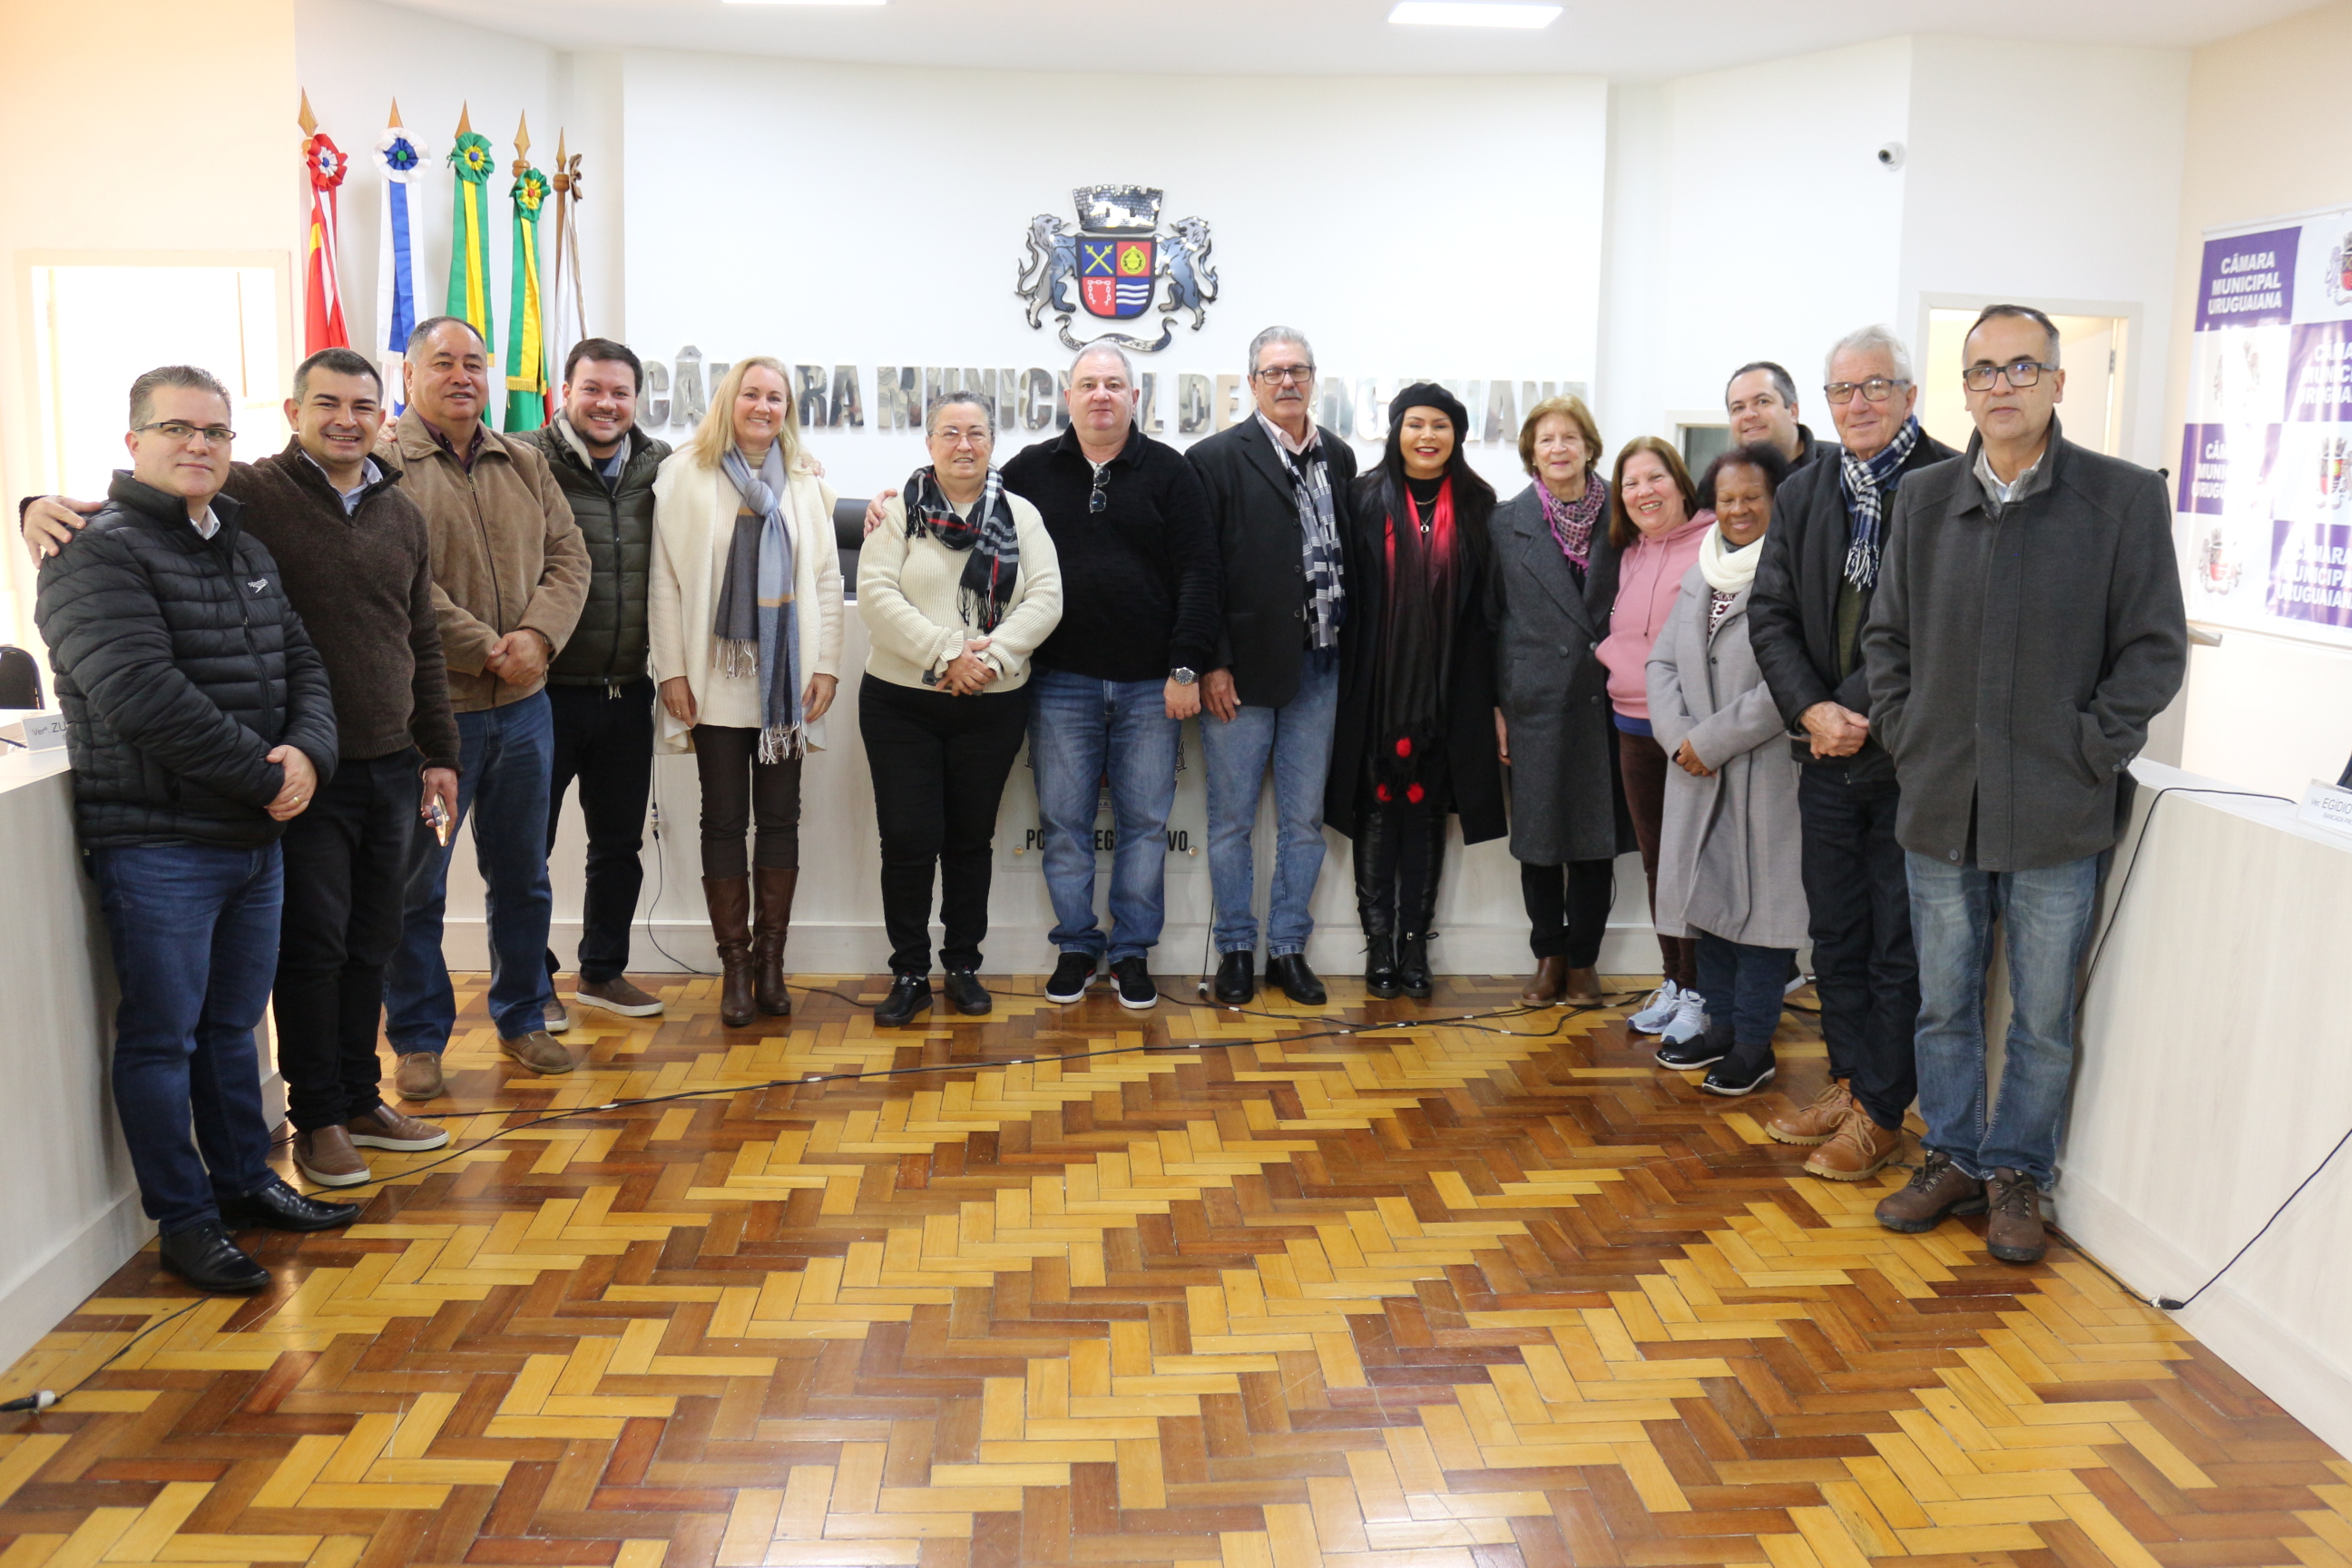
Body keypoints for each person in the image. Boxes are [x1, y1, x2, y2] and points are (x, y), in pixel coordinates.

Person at [20, 348, 462, 1190]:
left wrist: (438, 750)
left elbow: (417, 640)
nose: (346, 420)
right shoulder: (251, 492)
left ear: (385, 418)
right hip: (292, 783)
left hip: (381, 763)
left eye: (363, 407)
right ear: (293, 414)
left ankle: (357, 1099)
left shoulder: (394, 513)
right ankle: (318, 1118)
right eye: (327, 403)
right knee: (312, 954)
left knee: (372, 942)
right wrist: (32, 504)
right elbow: (144, 511)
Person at [1863, 303, 2187, 1264]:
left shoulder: (2122, 499)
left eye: (2021, 367)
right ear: (1963, 389)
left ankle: (2018, 1174)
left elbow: (2153, 649)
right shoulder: (1924, 499)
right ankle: (1954, 1156)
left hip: (2057, 808)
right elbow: (1887, 640)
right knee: (1944, 1003)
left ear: (2057, 381)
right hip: (1940, 801)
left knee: (2042, 1017)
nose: (2001, 386)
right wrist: (1910, 738)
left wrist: (2092, 748)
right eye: (1983, 371)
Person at [33, 365, 357, 1292]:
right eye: (177, 428)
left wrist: (309, 755)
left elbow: (305, 665)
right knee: (162, 1039)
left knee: (231, 1031)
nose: (198, 445)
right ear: (133, 441)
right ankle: (184, 1221)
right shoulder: (92, 552)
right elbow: (141, 696)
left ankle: (245, 1182)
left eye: (214, 431)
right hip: (159, 843)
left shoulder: (240, 545)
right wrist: (268, 778)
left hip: (253, 839)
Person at [1749, 325, 1957, 1181]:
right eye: (1843, 390)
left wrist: (1853, 710)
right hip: (1824, 755)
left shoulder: (1948, 484)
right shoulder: (1806, 490)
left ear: (1909, 394)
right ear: (1826, 402)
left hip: (1908, 758)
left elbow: (1936, 623)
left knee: (1896, 943)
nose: (1859, 403)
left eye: (1876, 386)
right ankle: (1847, 1081)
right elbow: (1770, 613)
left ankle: (1880, 1111)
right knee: (1834, 932)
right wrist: (1811, 709)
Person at [381, 318, 590, 1096]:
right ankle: (417, 1038)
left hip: (525, 719)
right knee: (418, 884)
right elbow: (399, 578)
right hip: (436, 728)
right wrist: (487, 648)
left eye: (474, 362)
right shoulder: (382, 466)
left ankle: (524, 1015)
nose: (462, 375)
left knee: (523, 874)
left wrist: (537, 637)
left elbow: (570, 557)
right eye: (444, 362)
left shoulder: (523, 462)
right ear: (410, 376)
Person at [1007, 345, 1221, 1010]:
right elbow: (964, 507)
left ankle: (1132, 953)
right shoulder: (1028, 470)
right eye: (1088, 384)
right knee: (1064, 823)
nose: (1101, 394)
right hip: (1058, 681)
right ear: (1068, 396)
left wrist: (1185, 667)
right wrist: (896, 500)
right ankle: (1076, 945)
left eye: (1113, 384)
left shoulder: (1172, 472)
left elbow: (1200, 575)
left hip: (1151, 686)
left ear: (1135, 396)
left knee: (1146, 824)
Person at [649, 357, 844, 1029]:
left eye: (776, 398)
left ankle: (770, 964)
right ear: (729, 400)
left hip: (786, 682)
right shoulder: (686, 474)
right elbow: (665, 581)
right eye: (752, 394)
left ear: (788, 409)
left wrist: (828, 666)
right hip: (714, 679)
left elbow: (825, 580)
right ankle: (734, 966)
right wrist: (671, 670)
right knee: (724, 821)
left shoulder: (806, 482)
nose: (763, 407)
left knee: (782, 819)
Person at [858, 390, 1063, 1025]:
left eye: (976, 432)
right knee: (909, 839)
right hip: (900, 704)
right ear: (930, 443)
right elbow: (876, 593)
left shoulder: (1021, 515)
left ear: (992, 443)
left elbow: (1046, 597)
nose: (963, 444)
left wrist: (990, 660)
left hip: (991, 703)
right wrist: (948, 653)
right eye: (949, 432)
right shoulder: (898, 513)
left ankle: (963, 966)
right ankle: (910, 973)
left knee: (970, 841)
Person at [1186, 327, 1356, 1006]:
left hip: (1320, 666)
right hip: (1241, 674)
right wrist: (1213, 662)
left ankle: (1287, 949)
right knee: (1230, 820)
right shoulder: (1214, 459)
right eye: (1273, 371)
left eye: (1298, 370)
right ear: (1252, 382)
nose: (1287, 381)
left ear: (1313, 379)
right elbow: (1201, 572)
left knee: (1303, 822)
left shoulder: (1338, 455)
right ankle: (1235, 948)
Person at [1326, 383, 1504, 1001]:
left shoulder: (1480, 504)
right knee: (1376, 808)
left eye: (1441, 426)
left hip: (1450, 689)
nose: (1428, 436)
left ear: (1457, 436)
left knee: (1428, 813)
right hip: (1375, 689)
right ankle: (1378, 946)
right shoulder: (1361, 497)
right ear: (1397, 430)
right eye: (1416, 424)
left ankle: (1414, 946)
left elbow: (1489, 610)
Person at [1646, 443, 1805, 1097]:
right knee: (1706, 907)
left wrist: (1709, 741)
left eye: (1752, 497)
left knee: (1763, 921)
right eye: (1727, 498)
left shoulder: (1796, 570)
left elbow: (1791, 681)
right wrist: (1679, 738)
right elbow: (1661, 664)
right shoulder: (1702, 570)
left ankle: (1753, 1047)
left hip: (1763, 772)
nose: (1738, 509)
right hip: (1696, 771)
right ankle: (1717, 1028)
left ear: (1777, 500)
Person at [527, 338, 672, 1030]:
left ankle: (603, 972)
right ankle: (530, 979)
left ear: (636, 400)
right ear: (566, 393)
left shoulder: (661, 466)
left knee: (618, 846)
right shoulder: (524, 459)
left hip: (627, 692)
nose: (606, 404)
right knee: (526, 849)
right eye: (592, 389)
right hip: (542, 695)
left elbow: (743, 477)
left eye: (620, 392)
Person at [1487, 394, 1634, 1006]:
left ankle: (1583, 962)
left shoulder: (1625, 513)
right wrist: (1497, 706)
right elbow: (1490, 621)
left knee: (1596, 841)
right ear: (1531, 452)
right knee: (1541, 840)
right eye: (1546, 439)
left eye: (1569, 437)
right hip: (1535, 702)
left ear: (1589, 447)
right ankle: (1548, 957)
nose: (1558, 448)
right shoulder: (1505, 522)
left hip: (1606, 698)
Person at [1594, 437, 1712, 1045]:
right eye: (1631, 482)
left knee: (1695, 865)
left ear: (1680, 482)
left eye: (1655, 477)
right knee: (1657, 862)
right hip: (1632, 726)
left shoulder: (1713, 544)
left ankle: (1701, 991)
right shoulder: (1629, 552)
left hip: (1688, 732)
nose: (1644, 492)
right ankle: (1674, 980)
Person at [1724, 362, 1834, 470]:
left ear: (1793, 412)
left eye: (1763, 401)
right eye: (1739, 408)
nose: (1748, 415)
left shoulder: (1838, 468)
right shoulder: (1725, 478)